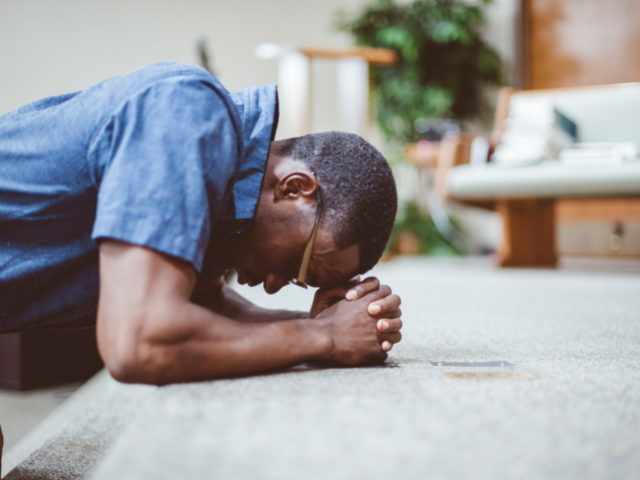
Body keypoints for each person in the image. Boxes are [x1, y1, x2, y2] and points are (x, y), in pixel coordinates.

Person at [0, 62, 402, 388]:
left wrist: (319, 323)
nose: (276, 285)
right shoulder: (185, 114)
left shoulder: (228, 204)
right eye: (301, 268)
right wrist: (324, 338)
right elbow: (139, 342)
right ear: (294, 188)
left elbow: (203, 304)